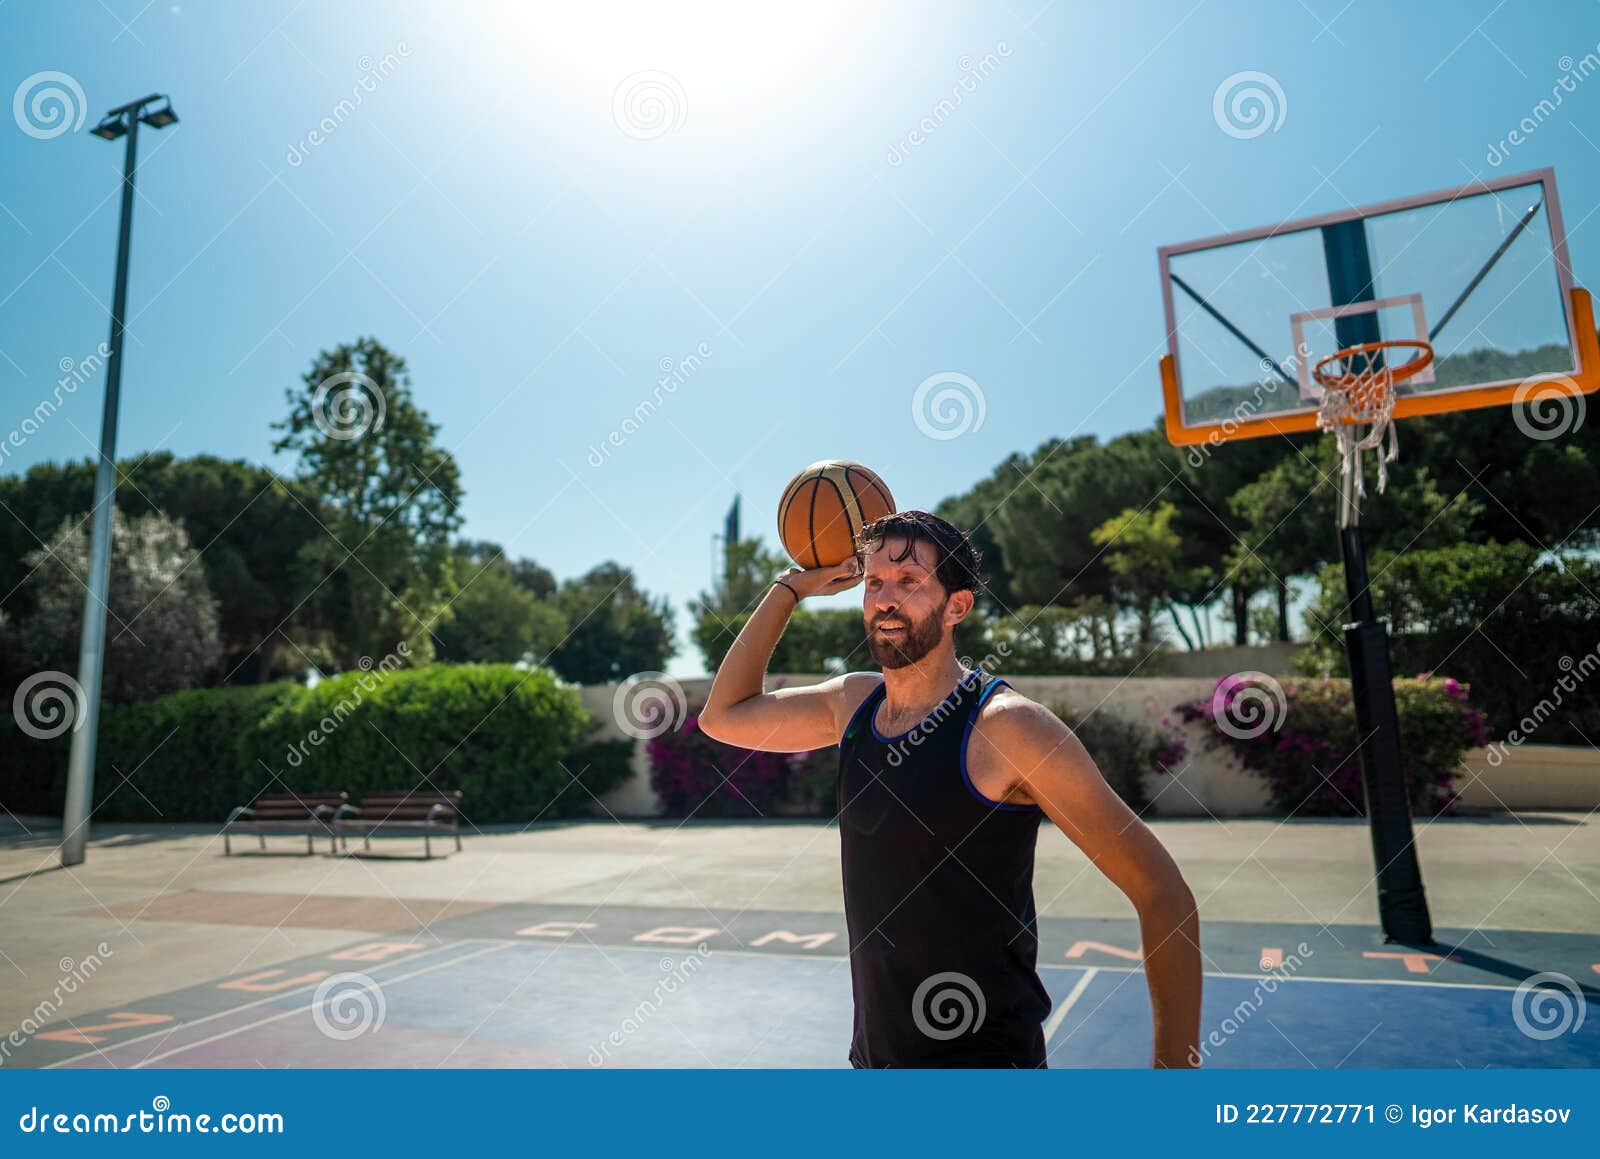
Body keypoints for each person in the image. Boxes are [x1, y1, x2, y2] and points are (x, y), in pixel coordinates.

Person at [700, 510, 1201, 1068]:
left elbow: (1162, 892)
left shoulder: (1008, 727)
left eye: (909, 581)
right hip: (875, 1064)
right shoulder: (852, 706)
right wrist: (789, 590)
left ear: (957, 606)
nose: (886, 599)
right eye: (874, 582)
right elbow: (723, 716)